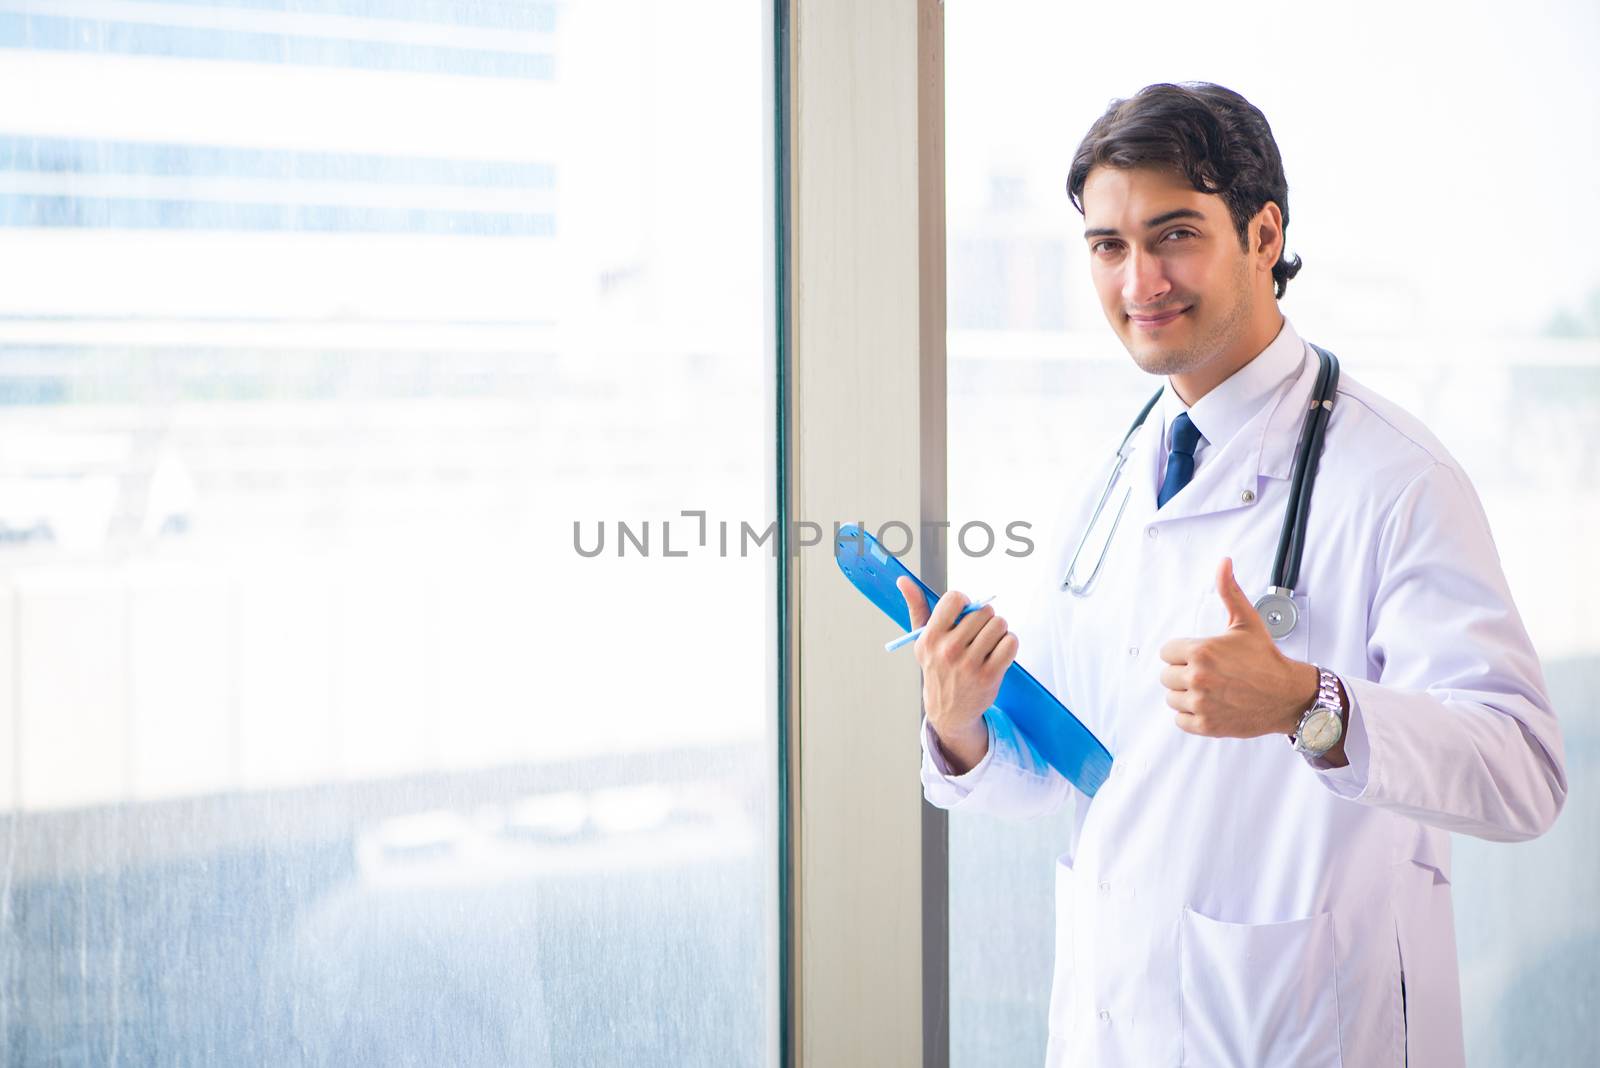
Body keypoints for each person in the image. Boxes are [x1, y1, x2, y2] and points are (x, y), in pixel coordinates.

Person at [898, 82, 1566, 1067]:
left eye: (1173, 236)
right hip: (1110, 1027)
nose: (1139, 281)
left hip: (1301, 1028)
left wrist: (1310, 701)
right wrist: (962, 726)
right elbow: (1090, 770)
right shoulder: (1119, 466)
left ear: (1262, 234)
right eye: (1107, 246)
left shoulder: (1396, 480)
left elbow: (1524, 774)